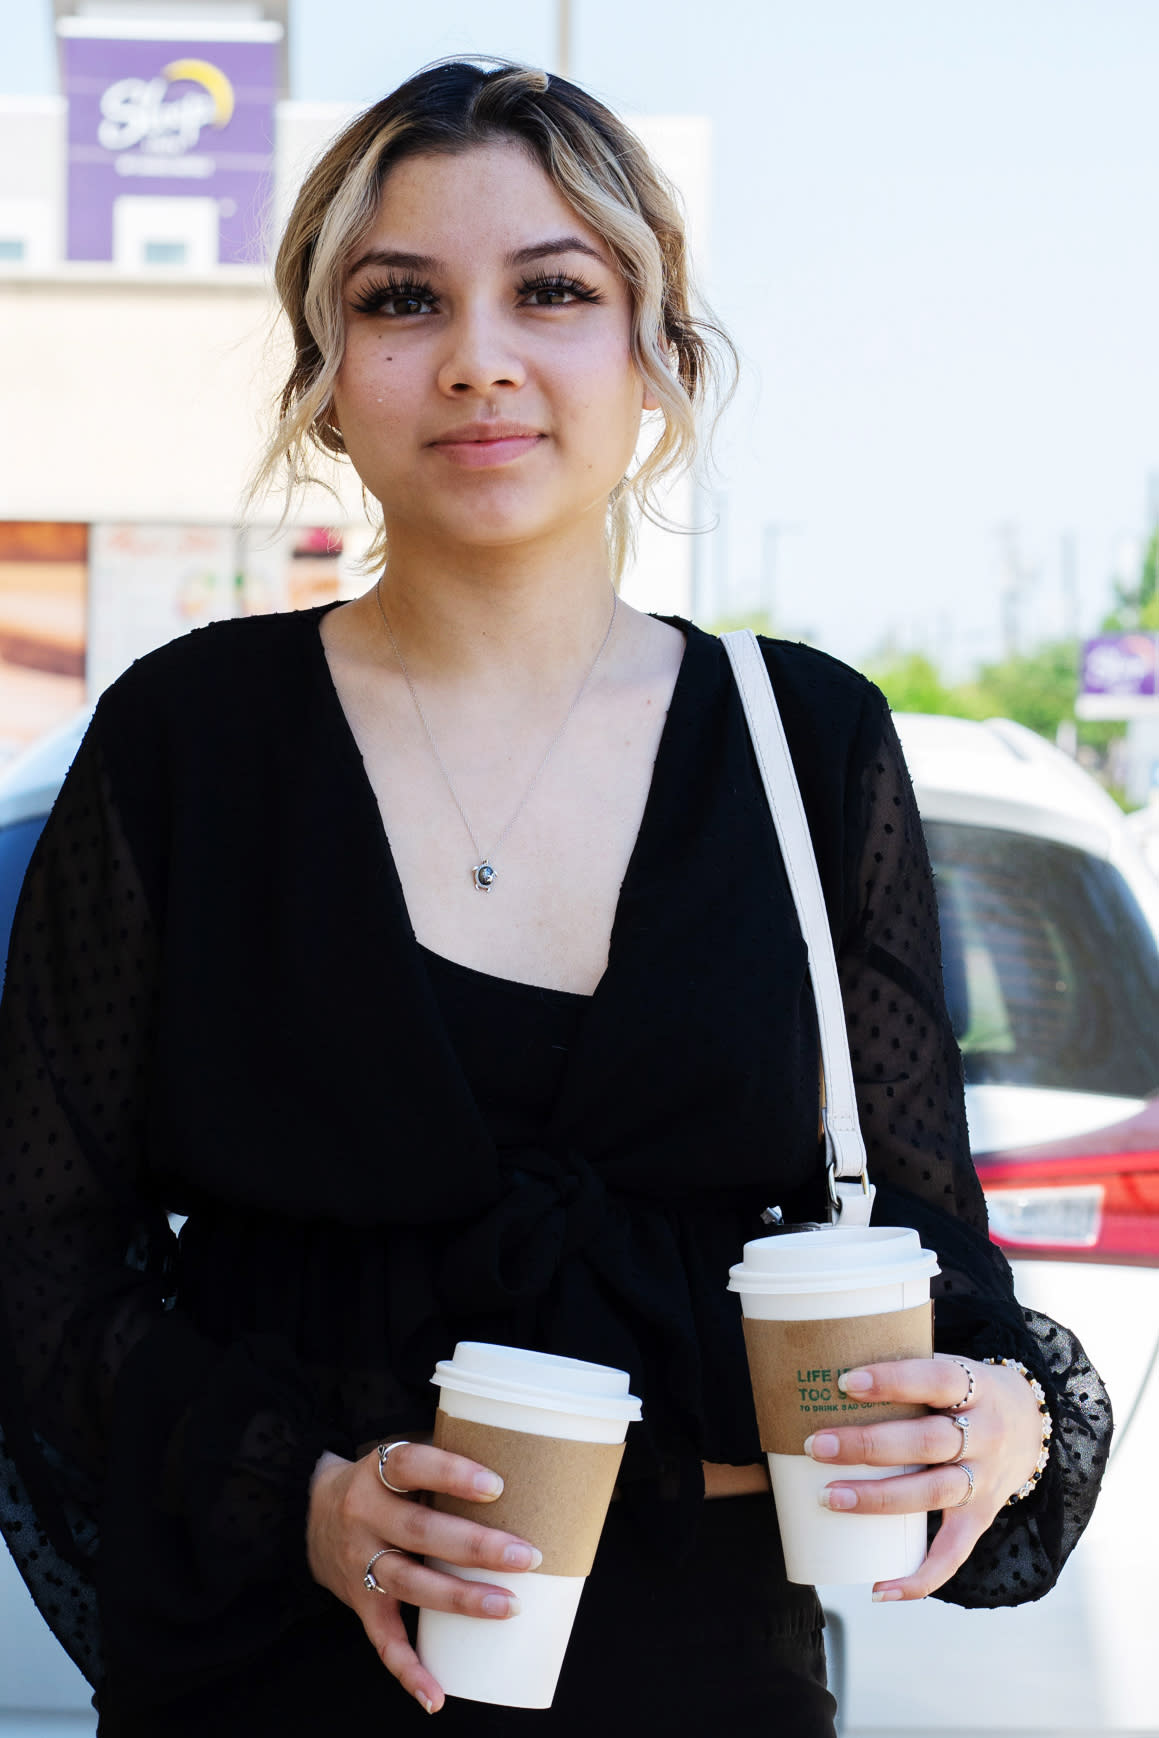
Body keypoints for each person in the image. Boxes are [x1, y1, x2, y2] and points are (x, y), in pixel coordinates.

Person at [0, 59, 1110, 1738]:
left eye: (555, 290)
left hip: (704, 1676)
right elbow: (33, 1260)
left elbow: (926, 1256)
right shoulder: (182, 743)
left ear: (659, 365)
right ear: (324, 378)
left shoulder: (806, 745)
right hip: (271, 1680)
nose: (478, 355)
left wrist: (999, 1413)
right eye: (402, 299)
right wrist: (296, 1494)